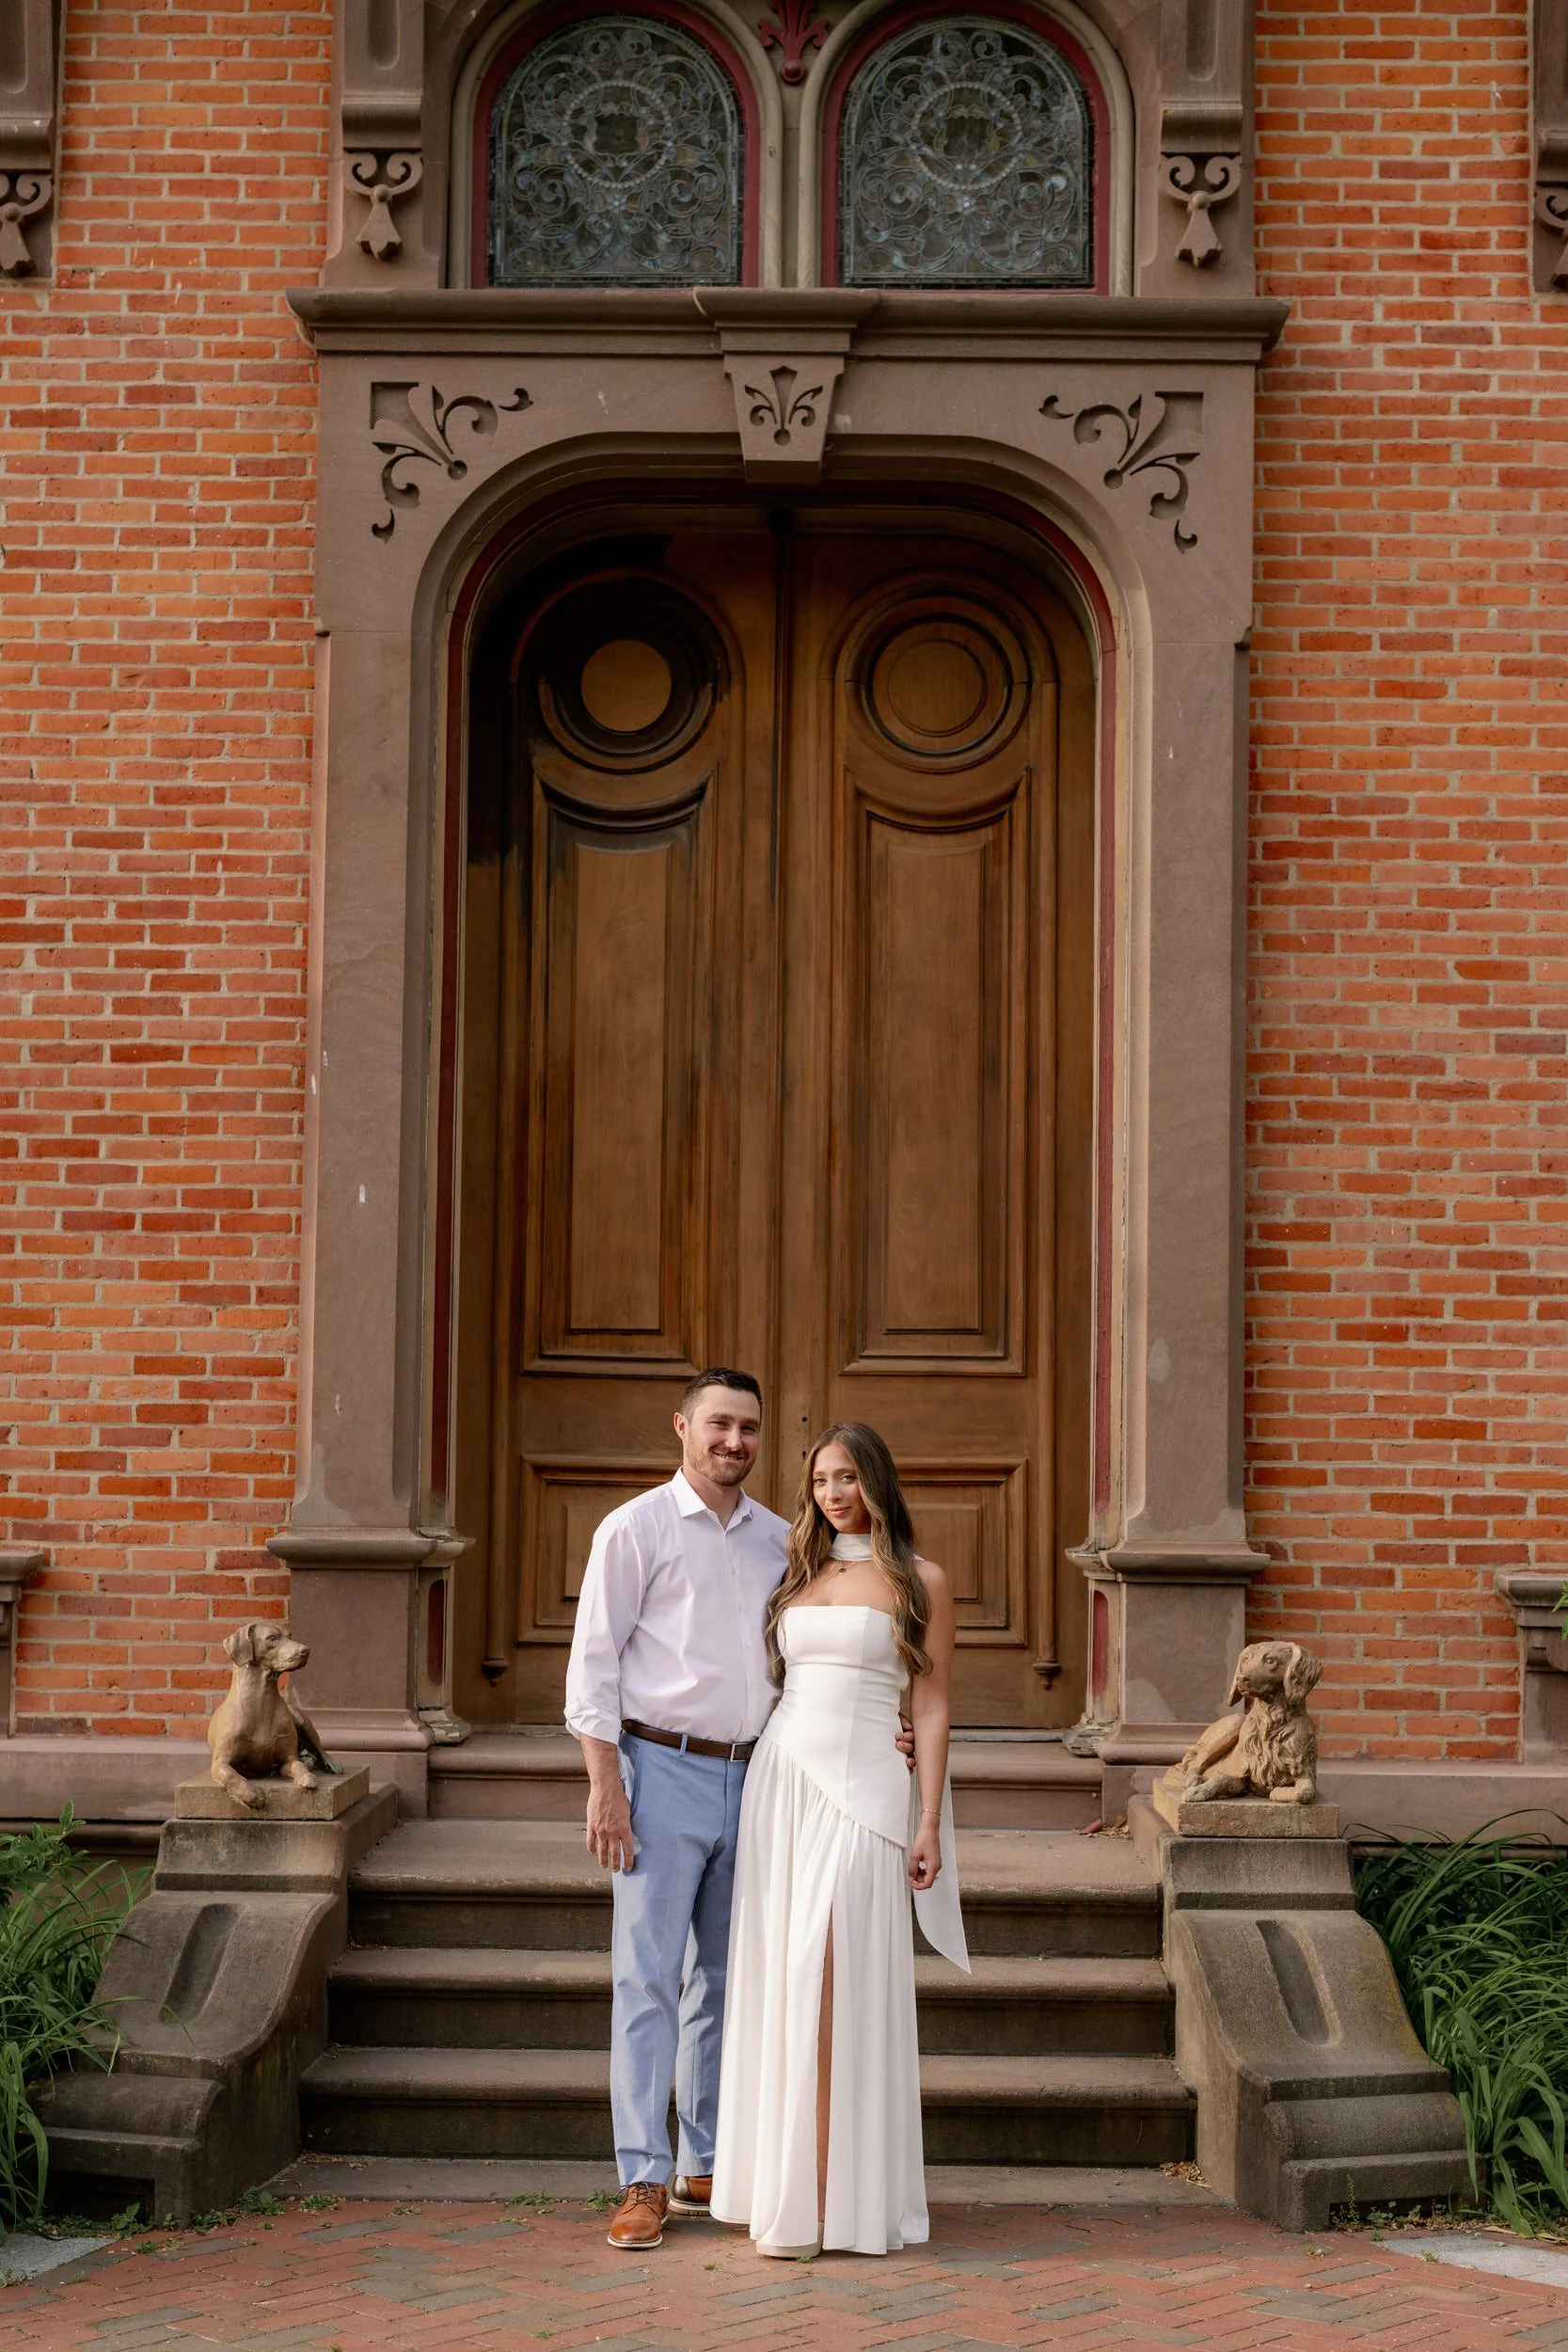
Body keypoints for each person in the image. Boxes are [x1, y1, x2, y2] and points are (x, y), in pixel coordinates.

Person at [711, 1422, 968, 2258]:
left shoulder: (920, 1580)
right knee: (784, 1983)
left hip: (865, 1793)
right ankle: (790, 2189)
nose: (833, 1492)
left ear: (877, 1483)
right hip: (781, 1784)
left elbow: (928, 1707)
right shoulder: (797, 1573)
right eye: (822, 1479)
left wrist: (926, 1818)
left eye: (849, 1476)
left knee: (829, 1971)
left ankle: (836, 2196)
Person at [564, 1369, 786, 2252]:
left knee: (727, 1981)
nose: (734, 1442)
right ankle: (641, 2176)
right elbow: (594, 1665)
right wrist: (605, 1784)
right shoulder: (635, 1528)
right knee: (647, 1978)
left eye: (748, 1429)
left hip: (760, 1778)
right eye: (718, 1425)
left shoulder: (779, 1538)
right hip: (659, 1771)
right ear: (682, 1429)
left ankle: (706, 2159)